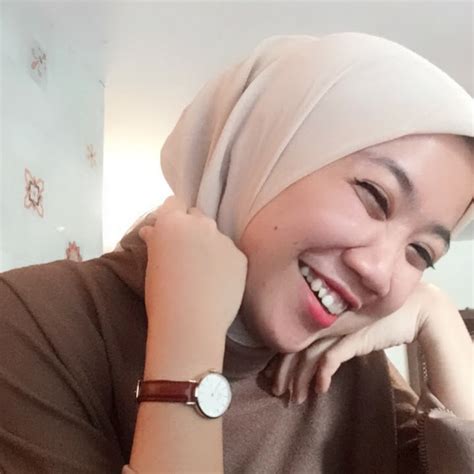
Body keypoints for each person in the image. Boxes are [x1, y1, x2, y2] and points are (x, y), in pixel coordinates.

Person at [0, 32, 473, 474]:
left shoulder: (344, 368)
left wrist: (438, 319)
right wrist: (187, 341)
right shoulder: (37, 320)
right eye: (374, 195)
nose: (379, 272)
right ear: (265, 149)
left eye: (421, 252)